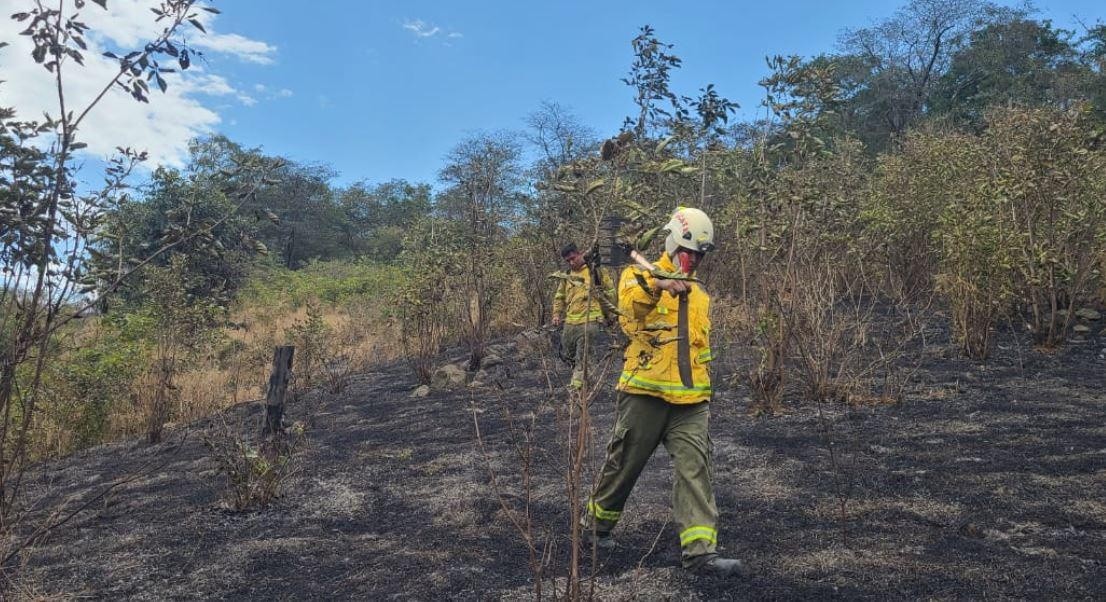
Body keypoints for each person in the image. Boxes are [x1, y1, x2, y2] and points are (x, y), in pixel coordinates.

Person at [583, 207, 745, 577]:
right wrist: (657, 285)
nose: (695, 262)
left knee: (695, 469)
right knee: (624, 464)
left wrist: (705, 388)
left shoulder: (700, 295)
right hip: (645, 395)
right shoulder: (637, 275)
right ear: (674, 244)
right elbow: (630, 309)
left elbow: (699, 348)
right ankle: (595, 528)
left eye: (701, 256)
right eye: (691, 253)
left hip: (691, 402)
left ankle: (700, 553)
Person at [551, 243, 615, 389]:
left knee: (584, 356)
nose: (571, 263)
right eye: (568, 261)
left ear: (580, 254)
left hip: (590, 321)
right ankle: (584, 376)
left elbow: (610, 293)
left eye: (573, 258)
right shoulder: (567, 275)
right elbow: (559, 296)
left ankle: (578, 387)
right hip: (570, 323)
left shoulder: (595, 272)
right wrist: (556, 314)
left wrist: (610, 315)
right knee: (567, 354)